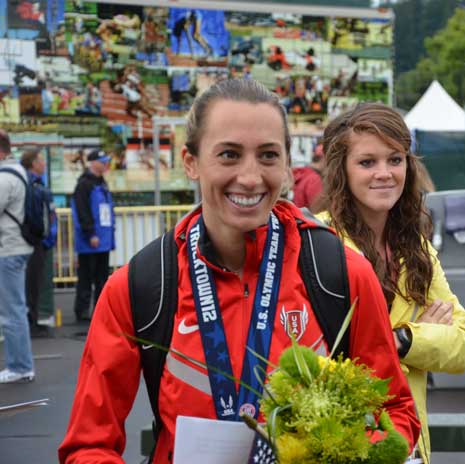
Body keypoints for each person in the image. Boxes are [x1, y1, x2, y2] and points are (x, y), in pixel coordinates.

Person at [58, 79, 419, 463]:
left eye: (268, 155)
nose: (250, 177)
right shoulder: (141, 286)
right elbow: (88, 446)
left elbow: (395, 410)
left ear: (287, 166)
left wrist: (351, 453)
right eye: (229, 155)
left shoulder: (340, 273)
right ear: (191, 162)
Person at [317, 102, 465, 464]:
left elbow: (463, 345)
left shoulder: (415, 247)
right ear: (341, 169)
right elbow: (322, 356)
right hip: (342, 443)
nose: (384, 173)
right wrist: (416, 340)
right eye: (367, 162)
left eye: (395, 159)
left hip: (410, 447)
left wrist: (403, 340)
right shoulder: (319, 241)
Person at [0, 130, 35, 383]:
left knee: (12, 310)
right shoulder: (18, 171)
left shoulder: (4, 178)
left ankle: (20, 366)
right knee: (14, 308)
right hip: (18, 246)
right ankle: (20, 364)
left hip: (8, 249)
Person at [71, 149, 115, 322]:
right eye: (103, 161)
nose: (106, 164)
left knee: (101, 277)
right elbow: (82, 211)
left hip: (103, 239)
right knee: (86, 277)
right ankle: (82, 311)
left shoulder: (102, 183)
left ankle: (99, 310)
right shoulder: (84, 184)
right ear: (93, 163)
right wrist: (90, 233)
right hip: (90, 240)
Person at [21, 148, 57, 338]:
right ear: (33, 163)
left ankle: (33, 320)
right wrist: (42, 238)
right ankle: (31, 322)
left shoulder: (36, 184)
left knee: (34, 283)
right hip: (36, 242)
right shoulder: (31, 185)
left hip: (39, 241)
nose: (44, 164)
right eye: (41, 160)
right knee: (31, 284)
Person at [292, 141, 326, 212]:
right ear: (323, 159)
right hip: (308, 217)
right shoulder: (314, 179)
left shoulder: (304, 174)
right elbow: (317, 211)